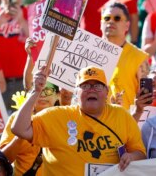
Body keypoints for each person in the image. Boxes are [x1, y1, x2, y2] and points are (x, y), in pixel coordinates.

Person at [11, 66, 146, 175]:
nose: (91, 90)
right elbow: (19, 129)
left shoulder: (121, 115)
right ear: (76, 92)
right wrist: (36, 91)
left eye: (97, 86)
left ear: (107, 92)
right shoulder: (56, 116)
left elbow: (140, 153)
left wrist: (131, 157)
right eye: (85, 86)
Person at [0, 82, 59, 175]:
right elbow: (2, 160)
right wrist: (20, 133)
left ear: (58, 96)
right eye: (38, 91)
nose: (42, 95)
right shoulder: (16, 119)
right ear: (30, 94)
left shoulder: (66, 120)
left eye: (48, 91)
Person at [101, 2, 149, 109]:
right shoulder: (90, 51)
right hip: (93, 120)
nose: (111, 21)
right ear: (101, 23)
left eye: (117, 18)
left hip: (125, 120)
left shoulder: (139, 57)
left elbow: (146, 98)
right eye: (107, 18)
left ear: (127, 25)